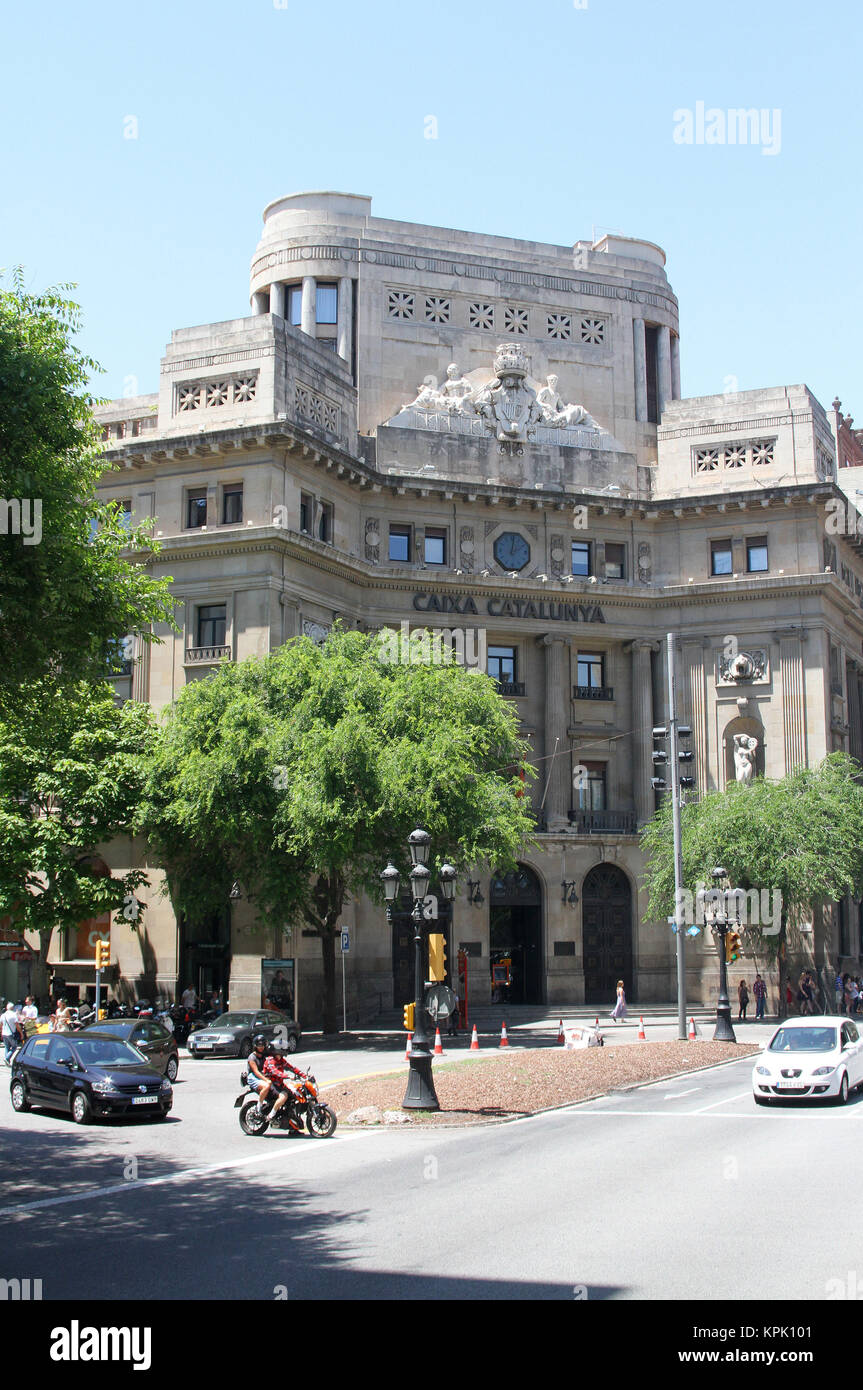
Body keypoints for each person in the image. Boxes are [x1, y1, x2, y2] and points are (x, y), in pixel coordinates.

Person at [262, 1048, 307, 1129]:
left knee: (294, 1097)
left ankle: (292, 1126)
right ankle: (271, 1115)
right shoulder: (270, 1061)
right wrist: (287, 1076)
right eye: (280, 1053)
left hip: (279, 1084)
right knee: (284, 1096)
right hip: (270, 1084)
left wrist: (304, 1076)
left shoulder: (282, 1060)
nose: (282, 1055)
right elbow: (275, 1072)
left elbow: (292, 1068)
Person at [246, 1035, 276, 1112]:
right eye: (259, 1045)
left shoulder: (263, 1056)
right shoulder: (252, 1057)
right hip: (253, 1077)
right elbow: (256, 1072)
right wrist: (267, 1080)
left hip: (262, 1075)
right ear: (255, 1046)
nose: (261, 1047)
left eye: (263, 1045)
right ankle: (259, 1106)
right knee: (267, 1085)